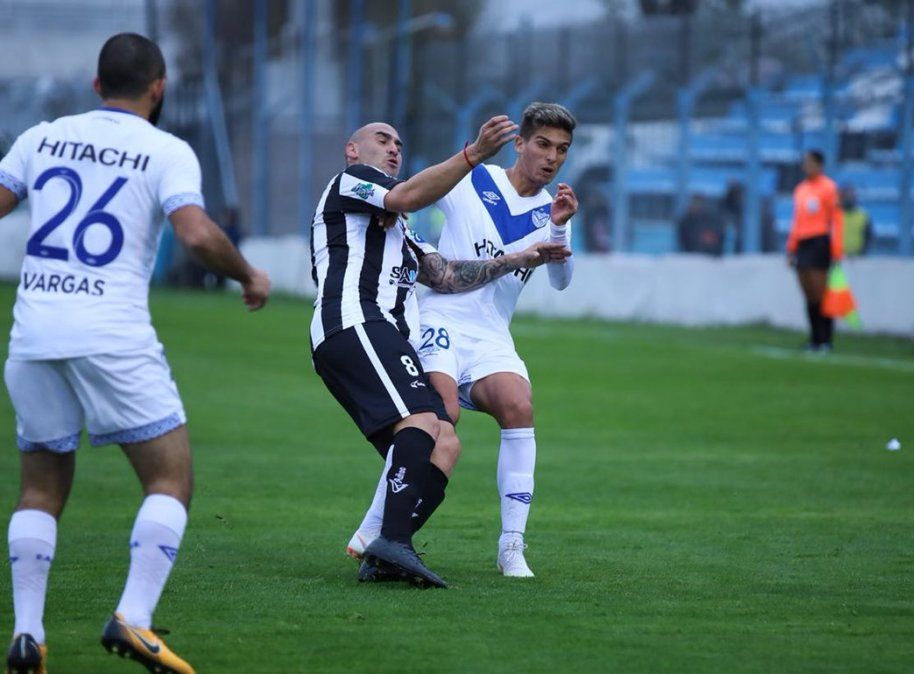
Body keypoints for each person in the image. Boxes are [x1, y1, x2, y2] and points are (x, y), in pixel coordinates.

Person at [0, 33, 271, 674]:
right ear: (158, 89)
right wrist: (249, 275)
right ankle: (134, 618)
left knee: (39, 488)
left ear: (96, 85)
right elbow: (197, 232)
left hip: (33, 336)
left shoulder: (40, 137)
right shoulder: (165, 149)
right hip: (110, 335)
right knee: (169, 478)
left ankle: (28, 634)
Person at [311, 116, 570, 589]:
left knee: (443, 441)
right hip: (356, 320)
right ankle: (387, 537)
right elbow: (405, 194)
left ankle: (387, 551)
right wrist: (472, 154)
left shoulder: (401, 230)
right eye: (382, 140)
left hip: (386, 332)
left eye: (399, 143)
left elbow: (446, 275)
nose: (393, 148)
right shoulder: (353, 182)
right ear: (352, 150)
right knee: (426, 420)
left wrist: (518, 259)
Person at [786, 150, 843, 352]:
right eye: (805, 162)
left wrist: (836, 249)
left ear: (819, 165)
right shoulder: (800, 189)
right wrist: (791, 249)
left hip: (819, 242)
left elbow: (836, 220)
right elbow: (796, 220)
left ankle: (826, 339)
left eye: (810, 162)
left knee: (821, 293)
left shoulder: (829, 188)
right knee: (808, 293)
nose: (806, 166)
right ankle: (814, 338)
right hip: (802, 243)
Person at [839, 184, 873, 256]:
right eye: (846, 196)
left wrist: (863, 252)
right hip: (839, 257)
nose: (849, 199)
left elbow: (869, 236)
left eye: (851, 196)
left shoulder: (862, 215)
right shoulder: (836, 215)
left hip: (858, 257)